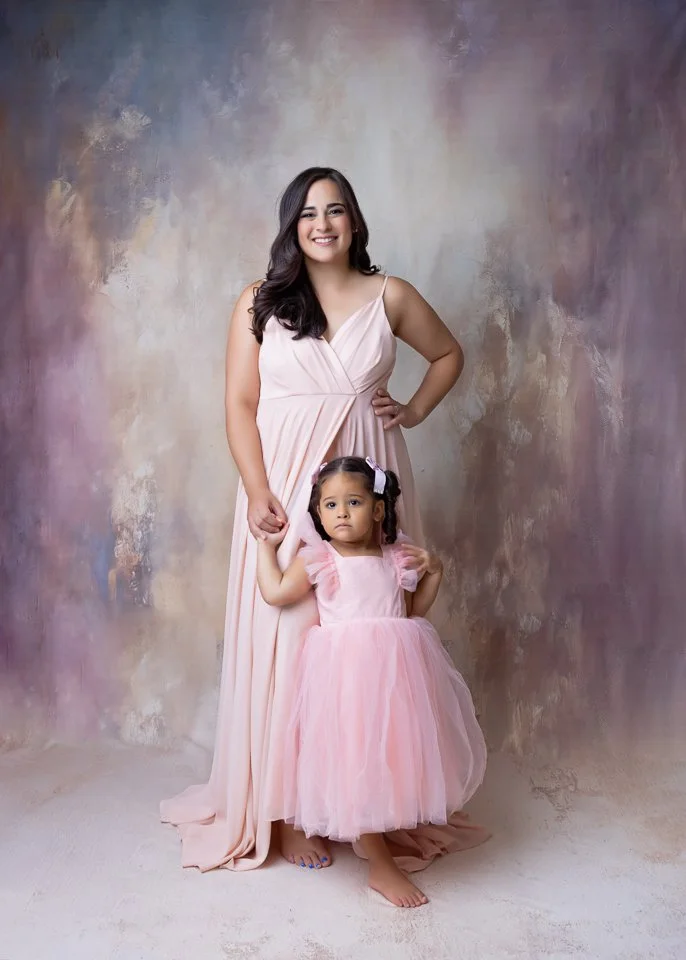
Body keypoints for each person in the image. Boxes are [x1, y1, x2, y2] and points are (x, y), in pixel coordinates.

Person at [160, 166, 490, 873]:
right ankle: (285, 812)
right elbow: (239, 405)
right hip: (286, 483)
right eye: (309, 213)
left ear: (355, 222)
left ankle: (365, 804)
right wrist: (256, 492)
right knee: (289, 641)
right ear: (291, 225)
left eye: (336, 210)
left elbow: (448, 354)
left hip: (369, 481)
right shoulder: (259, 302)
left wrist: (415, 408)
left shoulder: (389, 294)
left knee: (361, 644)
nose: (323, 223)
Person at [254, 456, 487, 907]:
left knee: (390, 754)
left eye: (354, 502)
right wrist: (266, 548)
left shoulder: (396, 556)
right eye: (330, 505)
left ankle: (379, 832)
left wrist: (435, 571)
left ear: (378, 509)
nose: (341, 512)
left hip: (395, 675)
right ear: (317, 514)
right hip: (344, 676)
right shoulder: (320, 558)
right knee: (355, 755)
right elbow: (277, 592)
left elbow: (411, 614)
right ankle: (379, 860)